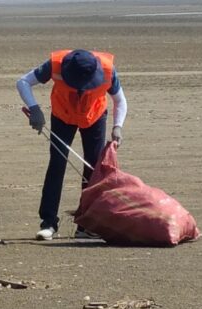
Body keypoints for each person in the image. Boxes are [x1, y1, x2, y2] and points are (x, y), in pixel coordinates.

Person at [17, 48, 127, 240]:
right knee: (57, 165)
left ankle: (85, 226)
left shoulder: (108, 70)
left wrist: (118, 126)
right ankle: (48, 223)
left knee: (92, 169)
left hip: (94, 117)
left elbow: (120, 100)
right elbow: (23, 82)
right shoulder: (55, 64)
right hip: (62, 117)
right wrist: (35, 110)